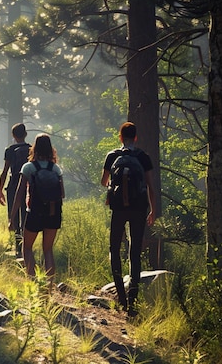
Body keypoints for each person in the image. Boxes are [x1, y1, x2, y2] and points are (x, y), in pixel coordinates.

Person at [100, 121, 155, 316]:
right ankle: (133, 300)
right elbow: (150, 185)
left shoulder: (113, 155)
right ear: (136, 137)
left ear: (120, 137)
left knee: (114, 249)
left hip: (119, 209)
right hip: (139, 208)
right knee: (134, 252)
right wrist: (153, 210)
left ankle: (121, 298)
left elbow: (103, 181)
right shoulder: (143, 157)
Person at [9, 133, 64, 281]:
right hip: (53, 212)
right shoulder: (56, 169)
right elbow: (62, 194)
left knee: (27, 248)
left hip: (34, 212)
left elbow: (19, 194)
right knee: (48, 250)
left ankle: (32, 281)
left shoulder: (28, 167)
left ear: (35, 148)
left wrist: (12, 217)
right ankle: (49, 287)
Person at [0, 123, 31, 258]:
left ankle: (18, 246)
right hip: (28, 186)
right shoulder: (31, 149)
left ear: (13, 135)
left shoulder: (10, 150)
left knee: (13, 215)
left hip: (13, 185)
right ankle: (25, 246)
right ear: (25, 134)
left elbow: (5, 170)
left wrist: (0, 189)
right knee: (25, 214)